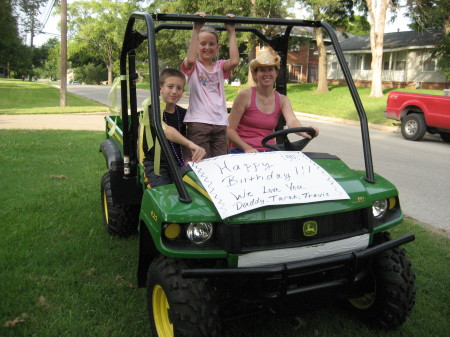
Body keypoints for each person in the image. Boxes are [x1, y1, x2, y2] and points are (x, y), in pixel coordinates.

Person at [227, 52, 319, 153]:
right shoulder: (244, 96)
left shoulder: (283, 100)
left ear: (276, 73)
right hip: (242, 150)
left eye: (270, 69)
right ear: (256, 74)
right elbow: (229, 129)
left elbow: (292, 121)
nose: (266, 74)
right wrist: (246, 148)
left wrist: (303, 130)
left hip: (269, 150)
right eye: (262, 70)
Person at [181, 12, 240, 158]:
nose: (207, 47)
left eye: (211, 44)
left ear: (218, 47)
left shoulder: (219, 67)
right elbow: (190, 59)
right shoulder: (193, 66)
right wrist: (196, 29)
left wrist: (231, 32)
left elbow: (234, 61)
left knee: (220, 162)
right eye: (203, 43)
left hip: (219, 122)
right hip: (199, 122)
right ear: (197, 45)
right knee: (202, 163)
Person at [143, 68, 206, 189]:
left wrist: (189, 157)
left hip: (178, 162)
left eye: (179, 88)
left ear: (183, 91)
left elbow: (191, 133)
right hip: (157, 165)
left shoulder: (182, 113)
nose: (174, 91)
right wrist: (191, 144)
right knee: (164, 195)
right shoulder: (152, 110)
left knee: (194, 191)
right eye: (170, 86)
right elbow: (166, 131)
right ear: (160, 88)